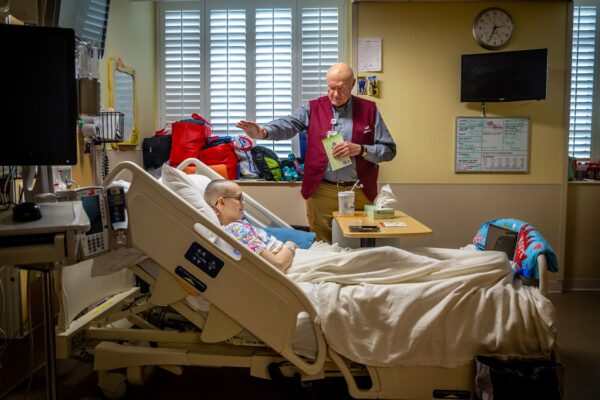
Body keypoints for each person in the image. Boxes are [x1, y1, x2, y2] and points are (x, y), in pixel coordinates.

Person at [236, 62, 396, 243]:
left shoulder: (369, 110)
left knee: (361, 241)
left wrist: (361, 149)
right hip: (322, 190)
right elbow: (289, 124)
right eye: (331, 88)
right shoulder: (312, 108)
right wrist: (263, 132)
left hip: (358, 190)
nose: (335, 94)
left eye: (341, 88)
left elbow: (389, 150)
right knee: (322, 243)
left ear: (352, 85)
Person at [204, 179, 299, 272]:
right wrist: (291, 245)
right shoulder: (236, 230)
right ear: (221, 202)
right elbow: (278, 264)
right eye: (239, 198)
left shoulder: (238, 225)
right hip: (288, 260)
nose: (243, 203)